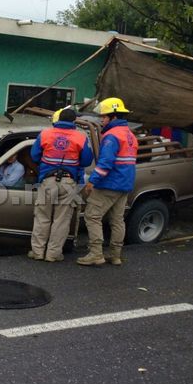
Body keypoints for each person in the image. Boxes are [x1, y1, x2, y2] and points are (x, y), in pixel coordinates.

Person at [77, 97, 138, 266]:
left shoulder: (112, 136)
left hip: (110, 184)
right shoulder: (130, 135)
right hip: (125, 184)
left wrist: (92, 182)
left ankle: (96, 254)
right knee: (117, 220)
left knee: (92, 216)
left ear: (114, 117)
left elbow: (105, 163)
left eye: (104, 117)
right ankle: (115, 255)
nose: (101, 120)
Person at [28, 108, 93, 262]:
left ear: (58, 119)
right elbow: (86, 161)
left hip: (48, 180)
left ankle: (38, 252)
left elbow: (34, 155)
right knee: (61, 220)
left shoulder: (45, 134)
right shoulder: (81, 137)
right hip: (69, 182)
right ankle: (53, 254)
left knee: (42, 217)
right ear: (73, 121)